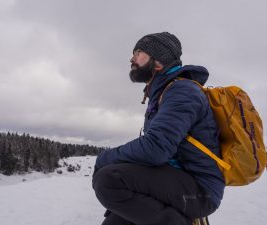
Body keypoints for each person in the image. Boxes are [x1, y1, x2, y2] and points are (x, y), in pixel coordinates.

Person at [92, 32, 225, 225]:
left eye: (139, 52)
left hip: (200, 190)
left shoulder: (182, 91)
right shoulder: (162, 93)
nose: (132, 58)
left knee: (109, 180)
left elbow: (156, 149)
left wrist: (104, 158)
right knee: (115, 221)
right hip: (175, 180)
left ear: (158, 61)